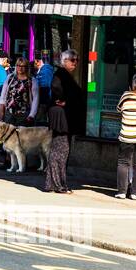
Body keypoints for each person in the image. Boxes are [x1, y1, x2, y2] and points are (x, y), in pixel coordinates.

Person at [46, 48, 85, 193]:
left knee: (61, 150)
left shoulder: (66, 75)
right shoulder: (61, 74)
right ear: (65, 61)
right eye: (72, 60)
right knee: (60, 150)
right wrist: (64, 100)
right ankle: (58, 184)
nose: (75, 63)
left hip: (65, 115)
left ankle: (52, 183)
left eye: (77, 60)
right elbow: (57, 89)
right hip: (60, 116)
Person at [0, 56, 38, 127]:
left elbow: (35, 99)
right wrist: (1, 113)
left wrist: (32, 115)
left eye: (23, 66)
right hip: (9, 113)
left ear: (27, 67)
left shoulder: (32, 80)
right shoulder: (10, 78)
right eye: (18, 65)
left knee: (22, 137)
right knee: (9, 136)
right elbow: (3, 96)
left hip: (24, 115)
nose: (20, 68)